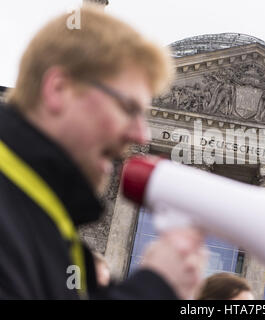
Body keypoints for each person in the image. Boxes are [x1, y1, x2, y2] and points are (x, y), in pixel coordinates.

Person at [0, 5, 206, 299]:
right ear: (58, 90)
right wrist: (154, 288)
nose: (141, 134)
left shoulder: (47, 219)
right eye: (128, 108)